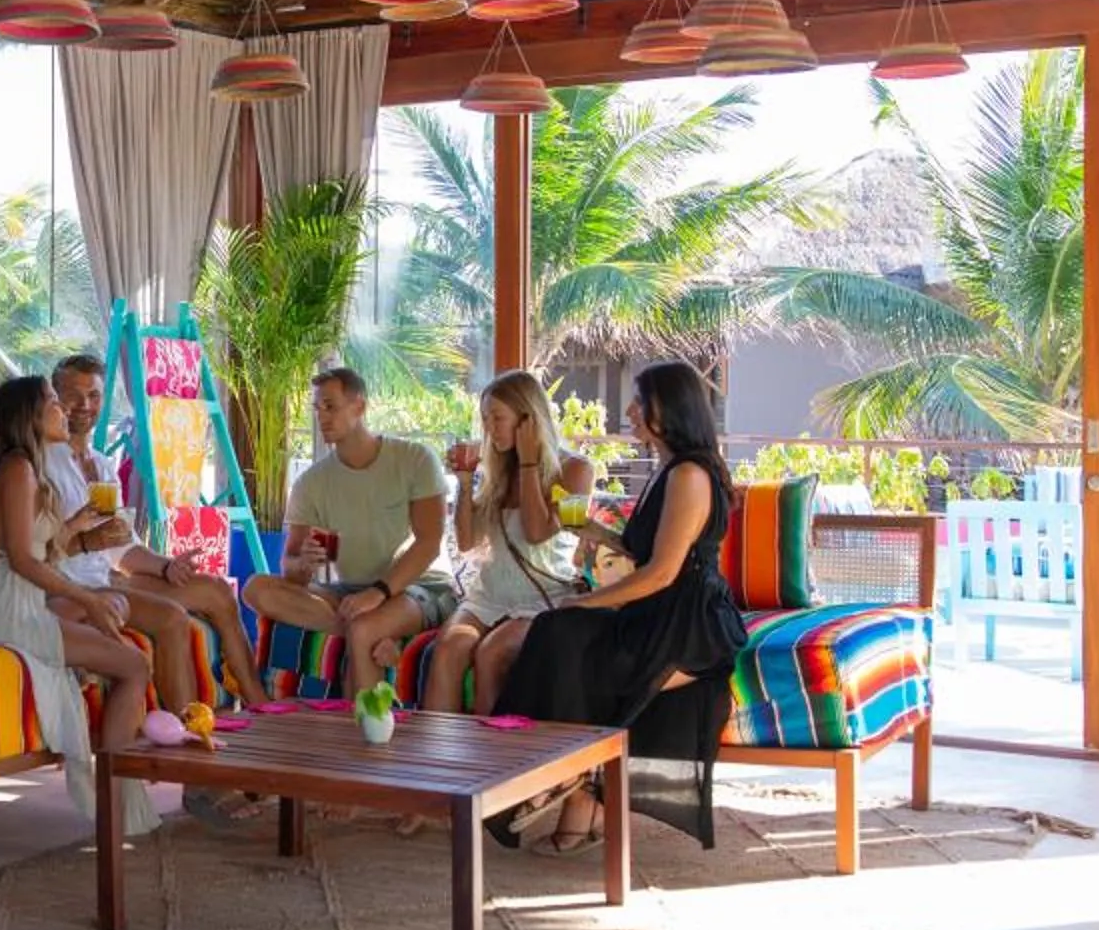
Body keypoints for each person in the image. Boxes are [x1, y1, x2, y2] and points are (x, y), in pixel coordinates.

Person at [488, 360, 748, 854]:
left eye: (638, 401)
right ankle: (559, 774)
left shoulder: (690, 474)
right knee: (558, 634)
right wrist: (595, 532)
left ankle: (564, 772)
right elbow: (643, 556)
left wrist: (585, 602)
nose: (628, 410)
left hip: (689, 623)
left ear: (667, 409)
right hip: (659, 608)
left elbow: (664, 573)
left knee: (560, 631)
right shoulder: (665, 467)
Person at [0, 374, 161, 836]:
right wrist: (87, 595)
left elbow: (37, 549)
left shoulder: (25, 467)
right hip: (8, 603)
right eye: (52, 402)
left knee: (128, 657)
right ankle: (114, 798)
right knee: (133, 666)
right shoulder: (19, 469)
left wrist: (74, 527)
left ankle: (117, 794)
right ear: (30, 414)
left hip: (15, 597)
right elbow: (23, 561)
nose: (63, 410)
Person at [48, 352, 265, 707]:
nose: (84, 405)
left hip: (106, 578)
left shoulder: (102, 466)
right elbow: (34, 551)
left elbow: (120, 548)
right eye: (73, 395)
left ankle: (258, 702)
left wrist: (166, 566)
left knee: (216, 592)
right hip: (68, 587)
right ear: (55, 399)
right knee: (173, 618)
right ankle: (186, 724)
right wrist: (86, 542)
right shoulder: (40, 465)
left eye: (94, 396)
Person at [240, 364, 455, 692]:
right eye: (317, 408)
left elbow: (429, 543)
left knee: (364, 626)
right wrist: (304, 565)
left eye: (330, 406)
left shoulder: (415, 459)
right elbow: (290, 570)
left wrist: (377, 594)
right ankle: (376, 633)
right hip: (347, 593)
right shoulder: (311, 483)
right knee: (256, 588)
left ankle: (363, 734)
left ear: (360, 407)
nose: (321, 417)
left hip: (418, 588)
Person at [422, 370, 597, 715]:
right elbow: (467, 540)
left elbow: (537, 532)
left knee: (492, 653)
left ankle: (495, 762)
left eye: (497, 418)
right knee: (449, 648)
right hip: (491, 593)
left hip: (546, 596)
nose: (489, 429)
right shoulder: (498, 470)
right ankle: (437, 758)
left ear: (528, 420)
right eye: (485, 419)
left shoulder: (577, 470)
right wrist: (465, 480)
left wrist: (530, 463)